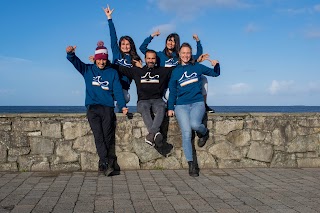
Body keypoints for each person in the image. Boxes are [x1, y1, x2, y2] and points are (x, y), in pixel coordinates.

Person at [66, 41, 128, 176]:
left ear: (106, 60)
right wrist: (70, 54)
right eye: (99, 59)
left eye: (104, 60)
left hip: (107, 108)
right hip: (93, 108)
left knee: (107, 135)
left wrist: (123, 106)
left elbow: (117, 90)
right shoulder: (88, 70)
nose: (101, 62)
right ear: (95, 59)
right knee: (98, 135)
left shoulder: (112, 73)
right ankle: (106, 163)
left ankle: (103, 163)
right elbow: (75, 62)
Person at [167, 43, 220, 177]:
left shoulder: (197, 67)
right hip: (181, 106)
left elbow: (215, 74)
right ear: (179, 54)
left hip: (197, 103)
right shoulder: (175, 71)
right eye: (183, 53)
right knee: (186, 133)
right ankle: (191, 164)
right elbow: (173, 91)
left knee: (195, 125)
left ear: (191, 54)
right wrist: (170, 107)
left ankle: (204, 132)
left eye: (188, 53)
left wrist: (216, 65)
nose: (185, 55)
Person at [140, 30, 215, 113]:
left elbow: (198, 55)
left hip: (180, 84)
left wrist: (197, 41)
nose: (171, 43)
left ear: (176, 43)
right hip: (167, 86)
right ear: (166, 41)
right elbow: (142, 48)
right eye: (169, 40)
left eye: (173, 41)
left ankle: (203, 104)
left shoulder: (180, 56)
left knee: (203, 78)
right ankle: (169, 106)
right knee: (169, 95)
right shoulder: (159, 56)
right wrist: (152, 36)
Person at [113, 49, 174, 147]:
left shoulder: (163, 71)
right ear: (145, 59)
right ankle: (156, 133)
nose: (150, 60)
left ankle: (151, 135)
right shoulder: (137, 71)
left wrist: (195, 61)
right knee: (144, 108)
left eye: (153, 58)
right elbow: (119, 68)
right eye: (148, 58)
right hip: (143, 101)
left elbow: (180, 68)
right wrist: (101, 61)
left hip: (157, 100)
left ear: (156, 60)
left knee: (162, 107)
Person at [102, 4, 142, 106]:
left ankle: (120, 109)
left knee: (126, 98)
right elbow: (113, 37)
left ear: (131, 45)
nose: (125, 46)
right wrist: (109, 18)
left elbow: (140, 75)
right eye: (123, 44)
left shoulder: (135, 59)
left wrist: (140, 68)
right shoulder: (117, 52)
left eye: (127, 44)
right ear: (120, 46)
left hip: (124, 87)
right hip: (112, 84)